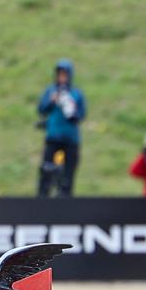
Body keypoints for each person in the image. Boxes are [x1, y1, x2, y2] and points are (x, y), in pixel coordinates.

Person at [35, 59, 85, 195]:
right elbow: (41, 109)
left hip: (70, 139)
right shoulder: (51, 91)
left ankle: (65, 199)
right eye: (60, 74)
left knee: (68, 175)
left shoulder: (76, 94)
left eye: (65, 74)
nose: (62, 77)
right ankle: (42, 199)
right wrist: (52, 101)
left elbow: (80, 115)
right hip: (53, 137)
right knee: (46, 170)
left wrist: (70, 107)